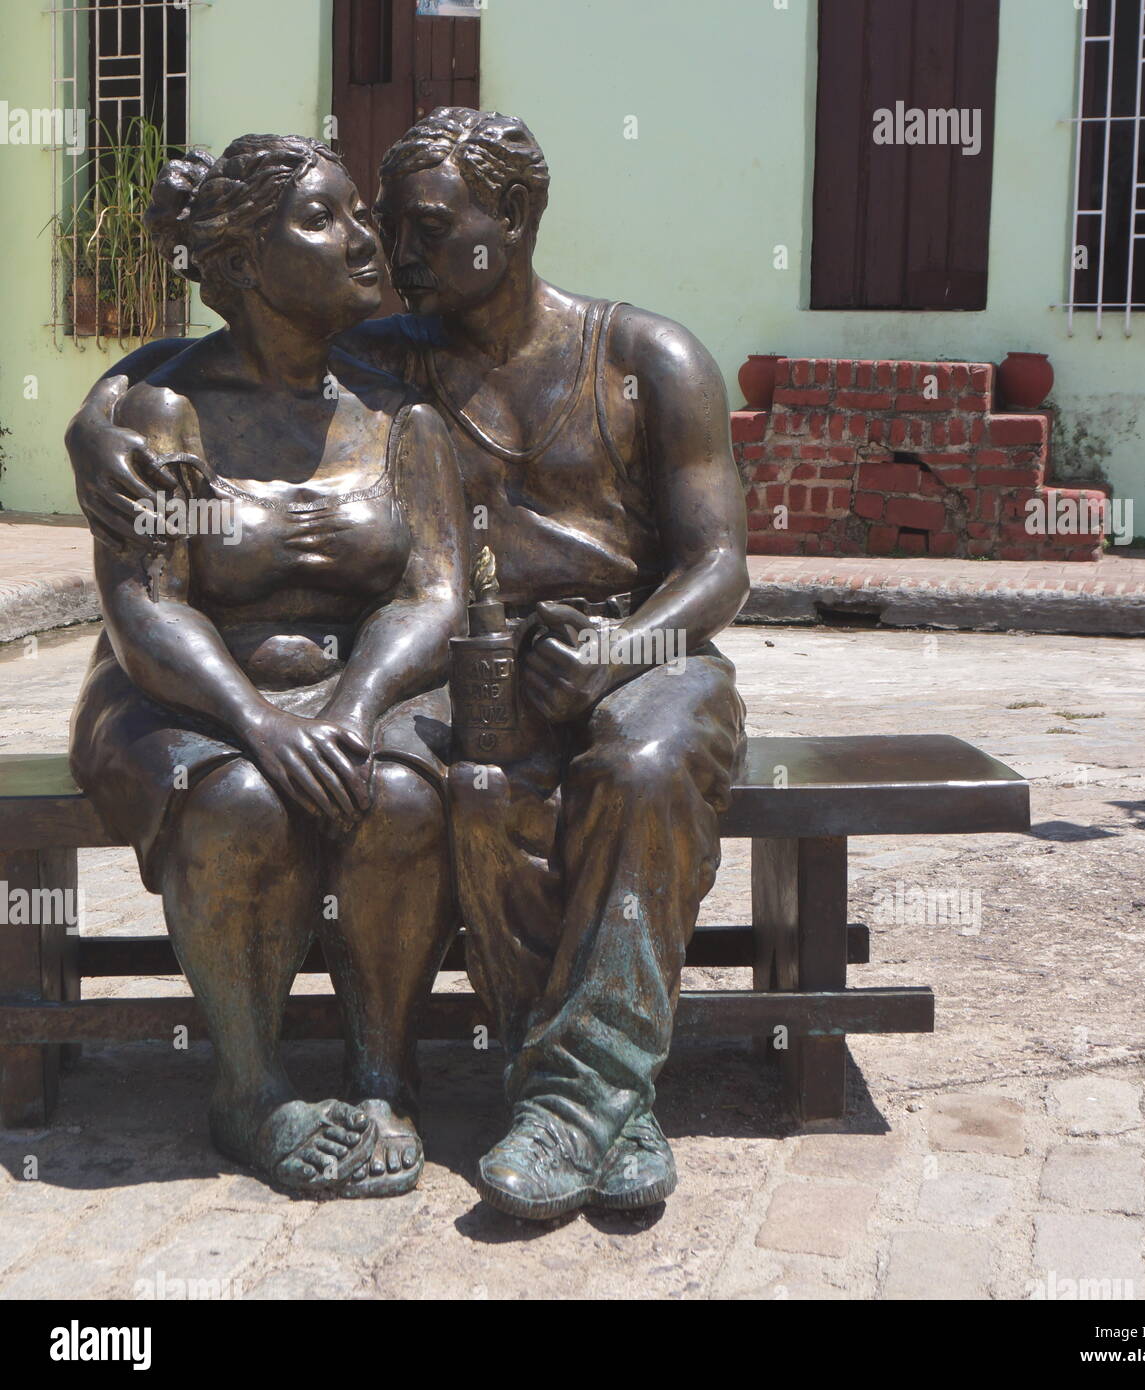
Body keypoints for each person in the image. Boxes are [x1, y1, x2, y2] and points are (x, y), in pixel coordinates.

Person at [66, 109, 749, 1220]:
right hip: (478, 663)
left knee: (633, 764)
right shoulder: (388, 349)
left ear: (513, 217)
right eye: (376, 224)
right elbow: (209, 352)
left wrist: (623, 650)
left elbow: (721, 572)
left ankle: (587, 1098)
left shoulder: (638, 359)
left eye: (422, 228)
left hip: (642, 643)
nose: (392, 251)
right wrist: (94, 422)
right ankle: (470, 1086)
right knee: (454, 788)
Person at [68, 135, 468, 1198]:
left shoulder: (400, 418)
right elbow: (145, 608)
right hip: (181, 696)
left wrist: (355, 703)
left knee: (397, 796)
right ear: (243, 263)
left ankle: (385, 1072)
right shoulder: (166, 414)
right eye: (321, 217)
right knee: (245, 799)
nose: (360, 237)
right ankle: (248, 1088)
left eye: (358, 212)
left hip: (359, 686)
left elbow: (434, 592)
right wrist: (258, 718)